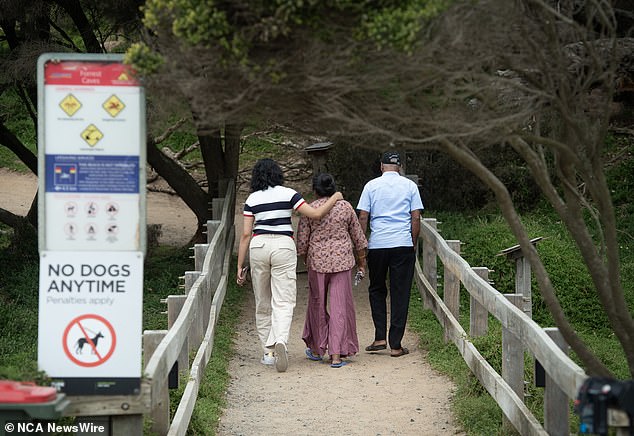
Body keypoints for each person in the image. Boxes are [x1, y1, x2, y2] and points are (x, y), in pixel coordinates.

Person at [236, 158, 343, 372]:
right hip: (284, 246)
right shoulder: (289, 194)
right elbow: (316, 214)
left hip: (259, 246)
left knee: (263, 300)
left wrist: (240, 266)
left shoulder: (252, 199)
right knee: (284, 300)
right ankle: (281, 340)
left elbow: (246, 234)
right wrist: (335, 198)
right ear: (278, 174)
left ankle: (267, 352)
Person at [296, 173, 368, 368]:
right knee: (340, 306)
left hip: (317, 262)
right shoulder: (345, 207)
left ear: (315, 189)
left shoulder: (310, 209)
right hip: (342, 261)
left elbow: (302, 241)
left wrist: (306, 259)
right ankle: (337, 355)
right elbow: (358, 238)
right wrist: (362, 262)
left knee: (317, 305)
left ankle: (318, 349)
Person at [357, 151, 424, 357]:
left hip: (378, 244)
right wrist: (412, 243)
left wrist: (363, 243)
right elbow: (415, 218)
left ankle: (379, 338)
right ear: (399, 167)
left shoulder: (371, 186)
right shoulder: (410, 186)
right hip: (402, 244)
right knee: (400, 292)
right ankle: (396, 344)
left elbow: (363, 216)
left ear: (381, 166)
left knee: (376, 289)